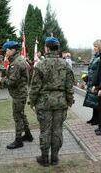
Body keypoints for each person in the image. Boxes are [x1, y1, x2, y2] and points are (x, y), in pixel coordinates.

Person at [29, 36, 74, 167]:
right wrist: (69, 101)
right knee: (57, 130)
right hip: (60, 103)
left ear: (47, 48)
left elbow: (35, 87)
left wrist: (32, 102)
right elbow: (69, 86)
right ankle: (54, 158)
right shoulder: (65, 64)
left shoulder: (40, 65)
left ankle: (45, 158)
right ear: (57, 48)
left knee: (45, 131)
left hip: (44, 103)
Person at [3, 40, 33, 149]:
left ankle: (18, 140)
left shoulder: (16, 62)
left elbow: (12, 82)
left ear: (13, 50)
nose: (5, 52)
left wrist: (2, 79)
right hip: (21, 92)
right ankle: (28, 135)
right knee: (21, 114)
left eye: (7, 50)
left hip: (19, 94)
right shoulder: (18, 60)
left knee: (17, 117)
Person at [84, 40, 101, 126]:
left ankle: (97, 119)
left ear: (99, 47)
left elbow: (98, 71)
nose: (94, 48)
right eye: (94, 46)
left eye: (96, 46)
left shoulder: (100, 57)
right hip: (91, 81)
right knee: (92, 101)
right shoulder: (94, 56)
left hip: (96, 82)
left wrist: (96, 82)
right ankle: (93, 118)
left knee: (96, 101)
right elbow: (91, 69)